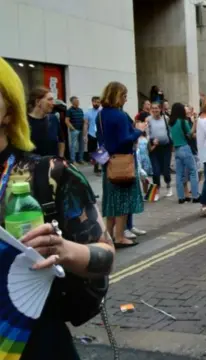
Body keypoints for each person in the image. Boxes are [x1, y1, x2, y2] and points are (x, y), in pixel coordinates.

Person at [0, 57, 115, 359]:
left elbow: (105, 255)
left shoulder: (50, 173)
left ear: (9, 112)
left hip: (34, 340)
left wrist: (63, 249)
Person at [97, 81, 143, 248]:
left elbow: (100, 139)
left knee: (110, 200)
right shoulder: (119, 115)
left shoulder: (100, 115)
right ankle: (119, 237)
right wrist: (139, 131)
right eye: (124, 96)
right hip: (122, 161)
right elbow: (125, 140)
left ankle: (108, 234)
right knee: (123, 201)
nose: (125, 99)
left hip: (107, 160)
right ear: (117, 96)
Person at [168, 103, 200, 204]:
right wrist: (195, 123)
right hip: (185, 148)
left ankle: (181, 197)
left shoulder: (171, 123)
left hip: (176, 150)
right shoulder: (183, 121)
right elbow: (190, 134)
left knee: (179, 174)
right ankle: (195, 196)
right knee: (193, 172)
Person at [27, 86, 64, 157]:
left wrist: (60, 158)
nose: (53, 103)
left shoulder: (53, 119)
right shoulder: (25, 122)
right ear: (38, 102)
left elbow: (61, 140)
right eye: (49, 99)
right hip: (32, 166)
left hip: (53, 166)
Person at [147, 102, 173, 199]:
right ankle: (156, 191)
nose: (155, 110)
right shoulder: (148, 120)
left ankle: (169, 186)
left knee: (166, 170)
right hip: (154, 148)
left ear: (160, 109)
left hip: (166, 147)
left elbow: (170, 131)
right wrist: (151, 140)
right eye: (153, 108)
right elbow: (147, 134)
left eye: (156, 108)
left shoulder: (166, 119)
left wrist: (172, 142)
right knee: (156, 171)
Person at [65, 96, 85, 164]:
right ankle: (73, 160)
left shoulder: (80, 110)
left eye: (78, 100)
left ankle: (81, 159)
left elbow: (83, 119)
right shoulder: (69, 110)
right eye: (76, 100)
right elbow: (67, 121)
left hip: (81, 130)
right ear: (72, 102)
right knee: (73, 145)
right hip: (74, 130)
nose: (78, 102)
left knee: (82, 145)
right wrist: (73, 128)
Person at [84, 96, 102, 174]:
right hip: (91, 134)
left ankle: (98, 168)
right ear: (92, 102)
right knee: (93, 152)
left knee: (100, 151)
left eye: (98, 102)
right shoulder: (87, 113)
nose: (97, 104)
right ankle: (95, 166)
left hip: (100, 134)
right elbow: (85, 124)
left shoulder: (101, 112)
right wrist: (84, 135)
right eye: (95, 102)